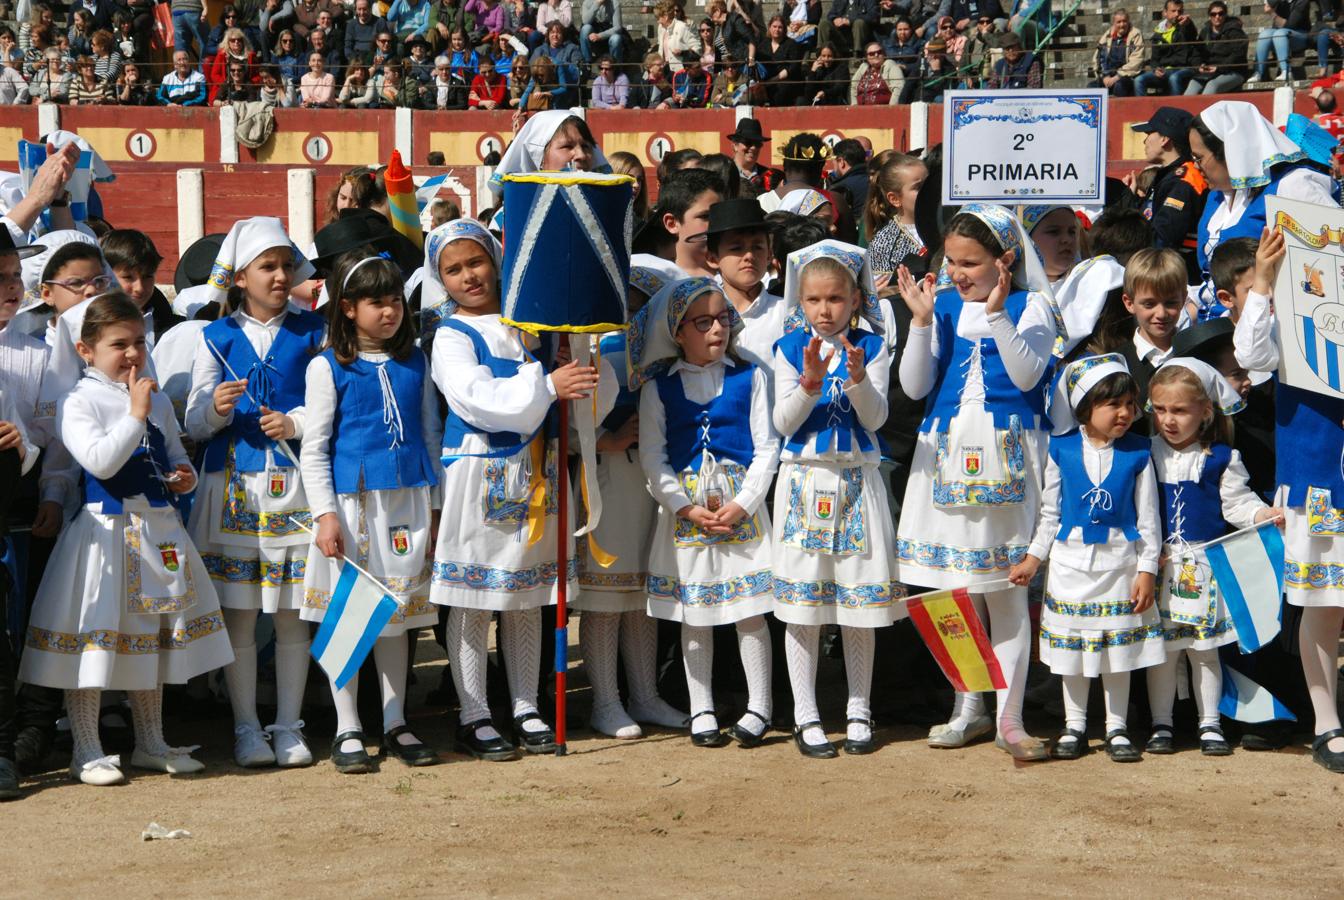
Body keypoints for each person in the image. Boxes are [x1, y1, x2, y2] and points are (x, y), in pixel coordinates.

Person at [19, 293, 234, 786]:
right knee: (95, 638)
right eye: (119, 344)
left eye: (139, 341)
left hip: (157, 531)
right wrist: (135, 414)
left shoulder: (154, 396)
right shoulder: (79, 400)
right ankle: (85, 747)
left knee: (152, 637)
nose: (133, 353)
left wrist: (184, 477)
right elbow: (98, 461)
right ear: (86, 349)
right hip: (104, 537)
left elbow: (177, 454)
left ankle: (151, 741)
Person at [426, 218, 610, 759]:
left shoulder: (532, 323)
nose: (469, 276)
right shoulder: (452, 336)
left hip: (539, 471)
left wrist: (572, 364)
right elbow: (475, 398)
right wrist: (546, 384)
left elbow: (587, 390)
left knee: (529, 593)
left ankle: (526, 703)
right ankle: (474, 712)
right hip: (480, 471)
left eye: (476, 262)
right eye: (453, 269)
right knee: (474, 594)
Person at [895, 204, 1056, 762]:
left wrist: (996, 315)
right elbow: (914, 388)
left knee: (1004, 589)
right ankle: (968, 705)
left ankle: (1010, 716)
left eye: (971, 262)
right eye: (952, 261)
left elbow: (1027, 375)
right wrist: (918, 323)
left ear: (1005, 260)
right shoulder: (939, 307)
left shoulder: (1031, 306)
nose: (958, 272)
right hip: (943, 453)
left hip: (1008, 452)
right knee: (952, 588)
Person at [184, 217, 323, 770]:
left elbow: (333, 402)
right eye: (268, 266)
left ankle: (289, 725)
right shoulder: (213, 337)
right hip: (234, 488)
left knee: (292, 613)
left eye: (287, 265)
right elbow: (193, 422)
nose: (281, 275)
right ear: (240, 277)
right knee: (240, 614)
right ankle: (245, 727)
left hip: (296, 487)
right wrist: (215, 408)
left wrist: (295, 422)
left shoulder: (314, 330)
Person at [299, 251, 440, 774]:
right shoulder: (327, 365)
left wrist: (437, 503)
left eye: (396, 301)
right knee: (353, 617)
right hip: (352, 506)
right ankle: (348, 726)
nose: (390, 312)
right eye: (376, 303)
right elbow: (314, 448)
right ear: (347, 308)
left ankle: (396, 719)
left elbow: (430, 432)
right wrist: (324, 515)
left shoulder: (415, 362)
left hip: (406, 501)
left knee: (396, 620)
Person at [629, 277, 779, 749]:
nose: (717, 329)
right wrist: (684, 506)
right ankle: (702, 708)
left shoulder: (750, 377)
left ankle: (761, 706)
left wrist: (743, 503)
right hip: (686, 514)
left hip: (741, 508)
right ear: (678, 331)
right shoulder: (659, 388)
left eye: (722, 319)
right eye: (703, 322)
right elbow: (653, 457)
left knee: (749, 610)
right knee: (696, 612)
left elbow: (766, 447)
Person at [771, 241, 897, 758]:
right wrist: (809, 383)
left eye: (836, 299)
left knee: (857, 602)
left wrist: (861, 378)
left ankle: (859, 709)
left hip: (856, 480)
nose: (825, 311)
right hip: (804, 478)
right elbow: (782, 424)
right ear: (799, 302)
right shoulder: (785, 348)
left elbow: (877, 419)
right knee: (803, 602)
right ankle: (806, 713)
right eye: (814, 300)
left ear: (855, 299)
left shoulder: (872, 345)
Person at [1009, 354, 1162, 763]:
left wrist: (1147, 569)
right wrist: (1032, 560)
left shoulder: (1139, 452)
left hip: (1120, 566)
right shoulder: (1060, 450)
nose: (1125, 413)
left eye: (1131, 404)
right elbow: (1050, 514)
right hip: (1070, 566)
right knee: (1073, 651)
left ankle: (1117, 728)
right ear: (1086, 407)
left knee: (1118, 653)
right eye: (1114, 404)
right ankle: (1074, 725)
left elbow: (1148, 519)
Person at [572, 266, 690, 739]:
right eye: (632, 300)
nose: (637, 310)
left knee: (642, 594)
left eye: (646, 300)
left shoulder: (662, 350)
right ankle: (605, 701)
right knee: (606, 593)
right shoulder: (596, 345)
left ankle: (645, 696)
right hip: (610, 475)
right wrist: (605, 439)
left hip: (652, 476)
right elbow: (572, 409)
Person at [1144, 358, 1279, 756]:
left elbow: (1236, 505)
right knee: (1164, 652)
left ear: (1205, 412)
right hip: (1158, 568)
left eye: (1180, 410)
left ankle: (1210, 724)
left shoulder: (1221, 457)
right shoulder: (1144, 453)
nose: (1168, 420)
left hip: (1203, 569)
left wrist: (1263, 514)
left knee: (1204, 651)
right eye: (1161, 410)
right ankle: (1161, 724)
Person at [1190, 100, 1336, 318]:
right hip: (1212, 330)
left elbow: (1333, 257)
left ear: (1229, 149)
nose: (1195, 166)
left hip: (1269, 333)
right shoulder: (1216, 198)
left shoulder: (1292, 185)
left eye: (1199, 158)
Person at [1127, 106, 1208, 284]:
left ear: (1164, 139)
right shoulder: (1169, 176)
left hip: (1176, 280)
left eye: (1149, 134)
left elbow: (1162, 240)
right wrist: (1132, 199)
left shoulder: (1184, 180)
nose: (1145, 141)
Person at [703, 199, 783, 368]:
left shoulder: (787, 313)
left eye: (757, 247)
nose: (749, 256)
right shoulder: (699, 314)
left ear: (769, 255)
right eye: (736, 248)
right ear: (712, 258)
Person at [866, 153, 927, 274]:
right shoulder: (884, 244)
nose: (928, 191)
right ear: (895, 199)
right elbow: (885, 291)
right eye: (918, 187)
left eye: (928, 183)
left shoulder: (947, 227)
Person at [659, 168, 725, 279]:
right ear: (672, 223)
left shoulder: (740, 276)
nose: (719, 223)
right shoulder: (656, 282)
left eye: (722, 215)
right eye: (705, 216)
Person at [1135, 0, 1199, 95]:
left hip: (1184, 68)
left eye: (1180, 11)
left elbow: (1192, 34)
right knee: (1139, 80)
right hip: (1164, 71)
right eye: (1173, 11)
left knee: (1174, 78)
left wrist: (1189, 23)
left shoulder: (1184, 27)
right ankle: (1142, 109)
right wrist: (1155, 69)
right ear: (1165, 13)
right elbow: (1154, 59)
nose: (1177, 14)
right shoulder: (1158, 34)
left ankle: (1175, 108)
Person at [1184, 1, 1248, 94]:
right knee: (1192, 87)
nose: (1217, 17)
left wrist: (1219, 67)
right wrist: (1199, 65)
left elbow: (1239, 54)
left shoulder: (1235, 31)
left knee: (1212, 86)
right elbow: (1196, 52)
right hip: (1209, 72)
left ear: (1225, 15)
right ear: (1209, 16)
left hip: (1233, 72)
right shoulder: (1205, 32)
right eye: (1213, 14)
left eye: (1220, 13)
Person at [1255, 0, 1316, 82]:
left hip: (1301, 35)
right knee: (1264, 35)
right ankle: (1258, 73)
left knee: (1280, 33)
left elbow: (1290, 25)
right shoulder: (1280, 2)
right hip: (1281, 36)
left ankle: (1286, 71)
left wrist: (1272, 13)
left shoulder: (1302, 2)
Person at [1089, 7, 1143, 96]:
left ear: (1128, 21)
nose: (1122, 25)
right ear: (1114, 23)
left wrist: (1117, 77)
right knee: (1091, 87)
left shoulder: (1135, 34)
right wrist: (1104, 77)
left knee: (1120, 86)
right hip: (1108, 75)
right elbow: (1098, 58)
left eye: (1124, 21)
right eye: (1119, 22)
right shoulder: (1107, 36)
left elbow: (1136, 60)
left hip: (1127, 76)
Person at [757, 14, 802, 107]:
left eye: (780, 27)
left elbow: (793, 67)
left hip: (785, 80)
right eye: (774, 26)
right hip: (766, 80)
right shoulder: (763, 44)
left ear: (784, 29)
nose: (777, 30)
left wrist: (773, 80)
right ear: (769, 28)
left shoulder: (791, 44)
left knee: (780, 90)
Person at [727, 118, 777, 199]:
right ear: (735, 145)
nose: (753, 148)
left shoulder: (768, 175)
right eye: (748, 142)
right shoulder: (725, 172)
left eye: (757, 144)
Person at [655, 0, 700, 73]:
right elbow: (661, 49)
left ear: (665, 17)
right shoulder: (661, 28)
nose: (658, 21)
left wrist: (683, 52)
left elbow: (697, 48)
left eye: (658, 18)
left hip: (681, 71)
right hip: (665, 70)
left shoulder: (681, 27)